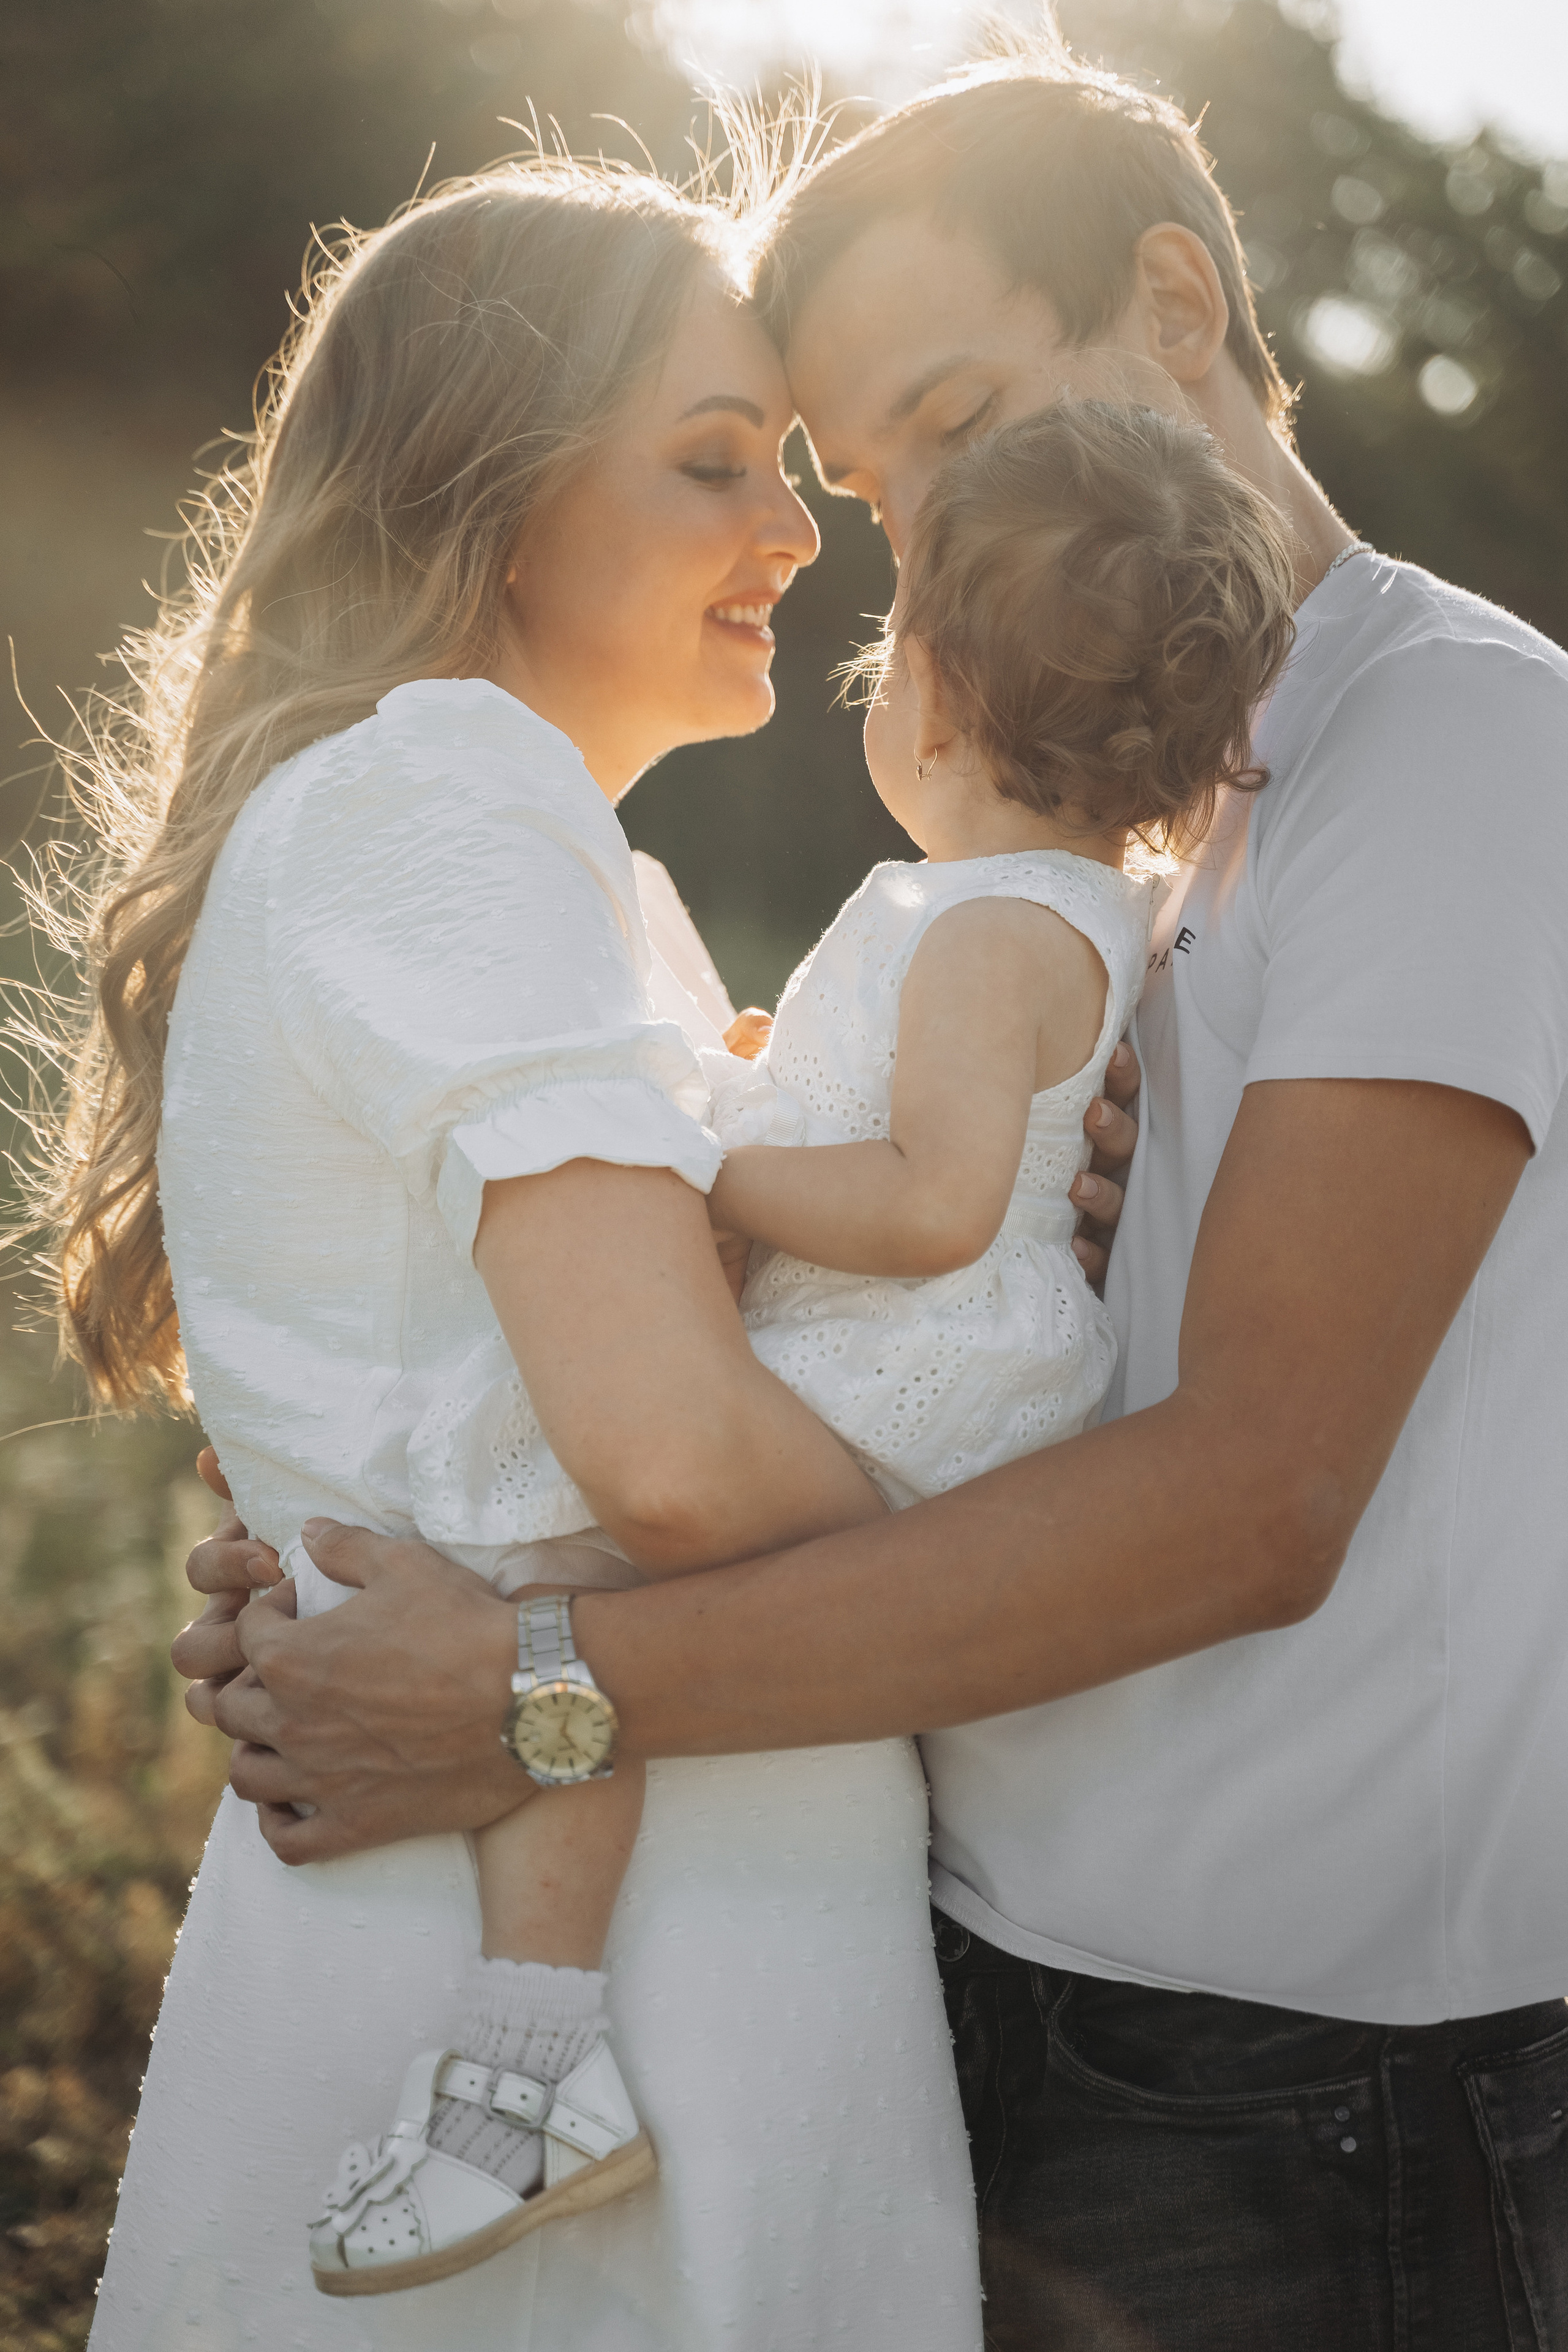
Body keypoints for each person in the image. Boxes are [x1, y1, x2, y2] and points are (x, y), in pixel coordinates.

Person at [176, 48, 1568, 2352]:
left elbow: (1254, 1499)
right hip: (983, 1966)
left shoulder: (1450, 751)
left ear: (1174, 299)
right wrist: (371, 1523)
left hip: (1308, 2097)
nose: (909, 527)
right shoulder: (1121, 820)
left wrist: (527, 1682)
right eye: (869, 469)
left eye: (956, 410)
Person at [51, 159, 989, 2350]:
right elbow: (662, 1457)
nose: (795, 531)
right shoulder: (452, 795)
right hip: (587, 2021)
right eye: (709, 465)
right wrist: (1040, 1590)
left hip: (559, 1928)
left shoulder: (536, 849)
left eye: (788, 468)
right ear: (478, 492)